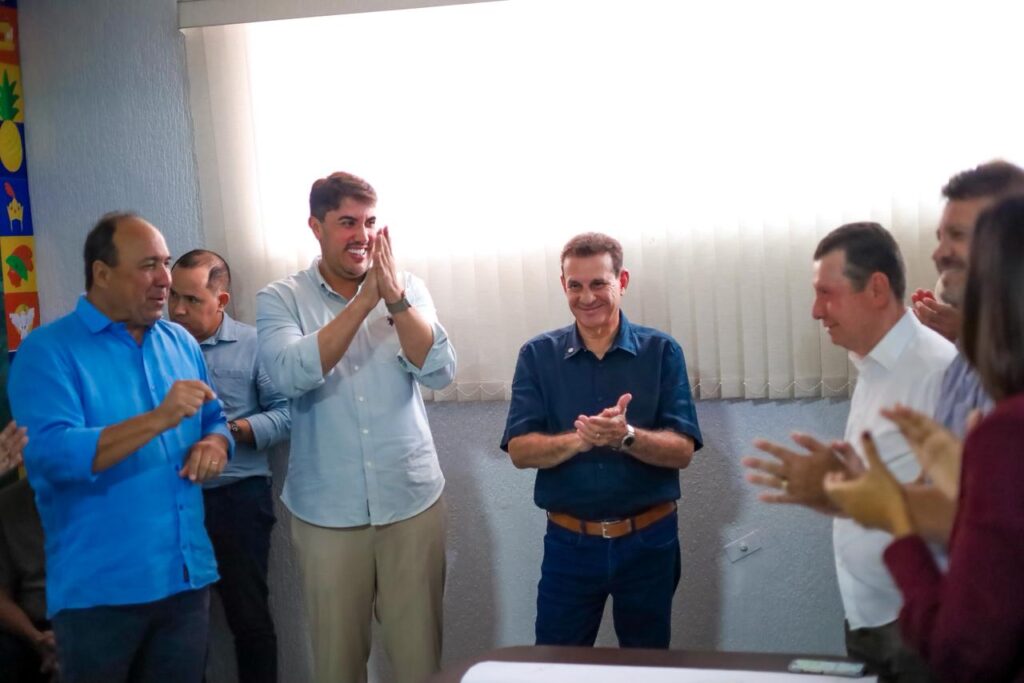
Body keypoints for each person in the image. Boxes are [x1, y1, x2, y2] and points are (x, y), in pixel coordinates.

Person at [8, 212, 232, 683]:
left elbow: (214, 420)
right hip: (99, 596)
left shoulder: (180, 343)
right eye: (148, 265)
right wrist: (158, 419)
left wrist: (215, 444)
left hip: (185, 581)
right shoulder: (46, 352)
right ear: (102, 273)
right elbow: (51, 456)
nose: (165, 280)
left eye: (166, 263)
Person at [256, 172, 456, 683]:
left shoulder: (407, 288)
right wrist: (364, 302)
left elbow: (439, 371)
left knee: (419, 665)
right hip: (328, 513)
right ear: (316, 227)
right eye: (347, 222)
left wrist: (394, 300)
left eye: (370, 222)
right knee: (337, 667)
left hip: (410, 502)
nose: (362, 235)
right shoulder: (280, 299)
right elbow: (289, 375)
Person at [742, 223, 955, 681]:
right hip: (868, 614)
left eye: (826, 293)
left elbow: (964, 510)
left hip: (918, 620)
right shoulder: (874, 366)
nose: (816, 310)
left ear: (876, 288)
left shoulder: (937, 370)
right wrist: (834, 489)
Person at [824, 196, 1024, 682]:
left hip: (923, 614)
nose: (938, 254)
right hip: (880, 611)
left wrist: (893, 511)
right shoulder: (880, 367)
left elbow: (968, 646)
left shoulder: (952, 378)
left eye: (958, 238)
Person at [500, 232, 702, 648]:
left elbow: (682, 451)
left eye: (598, 284)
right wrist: (582, 440)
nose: (586, 297)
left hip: (649, 542)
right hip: (569, 544)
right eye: (575, 285)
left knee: (646, 667)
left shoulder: (662, 352)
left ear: (621, 281)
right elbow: (519, 451)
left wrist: (625, 436)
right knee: (555, 666)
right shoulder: (537, 356)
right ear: (563, 285)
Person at [170, 250, 291, 683]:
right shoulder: (157, 348)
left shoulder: (254, 344)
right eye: (173, 296)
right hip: (173, 500)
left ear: (221, 301)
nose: (177, 310)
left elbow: (287, 414)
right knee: (180, 626)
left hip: (237, 499)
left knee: (249, 618)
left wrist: (229, 432)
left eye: (191, 299)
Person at [0, 422, 54, 683]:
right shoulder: (9, 504)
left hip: (105, 621)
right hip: (33, 627)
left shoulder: (113, 496)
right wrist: (36, 638)